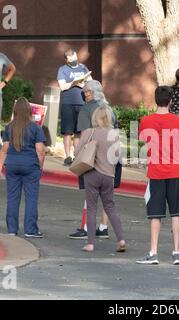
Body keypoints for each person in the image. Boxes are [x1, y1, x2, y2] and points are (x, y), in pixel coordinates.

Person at [137, 86, 179, 265]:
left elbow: (144, 146)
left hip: (155, 172)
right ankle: (176, 252)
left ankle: (153, 253)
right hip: (176, 171)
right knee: (177, 213)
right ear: (171, 101)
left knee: (155, 214)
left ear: (155, 100)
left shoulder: (146, 121)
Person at [69, 80, 118, 240]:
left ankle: (85, 227)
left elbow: (84, 135)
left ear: (90, 93)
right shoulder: (110, 109)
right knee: (107, 195)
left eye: (85, 92)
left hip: (93, 158)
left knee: (90, 194)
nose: (83, 95)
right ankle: (103, 227)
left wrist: (77, 154)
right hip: (111, 156)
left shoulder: (86, 110)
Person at [0, 97, 46, 238]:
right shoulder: (35, 128)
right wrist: (40, 167)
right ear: (29, 111)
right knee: (31, 198)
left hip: (12, 165)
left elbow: (4, 149)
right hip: (30, 166)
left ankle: (11, 229)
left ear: (15, 111)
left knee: (12, 198)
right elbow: (40, 150)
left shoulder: (10, 127)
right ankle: (30, 229)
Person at [77, 105, 126, 253]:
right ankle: (121, 239)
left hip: (92, 173)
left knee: (92, 208)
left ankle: (90, 243)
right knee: (110, 207)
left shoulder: (89, 132)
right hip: (109, 175)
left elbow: (78, 151)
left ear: (95, 118)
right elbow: (118, 156)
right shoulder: (114, 135)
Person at [57, 49, 91, 166]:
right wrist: (73, 84)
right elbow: (62, 86)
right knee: (67, 131)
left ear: (76, 56)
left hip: (82, 103)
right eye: (70, 60)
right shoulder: (62, 70)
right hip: (68, 103)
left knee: (78, 132)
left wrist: (84, 84)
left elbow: (91, 81)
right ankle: (67, 156)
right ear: (66, 60)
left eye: (74, 58)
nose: (72, 61)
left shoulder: (82, 67)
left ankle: (77, 155)